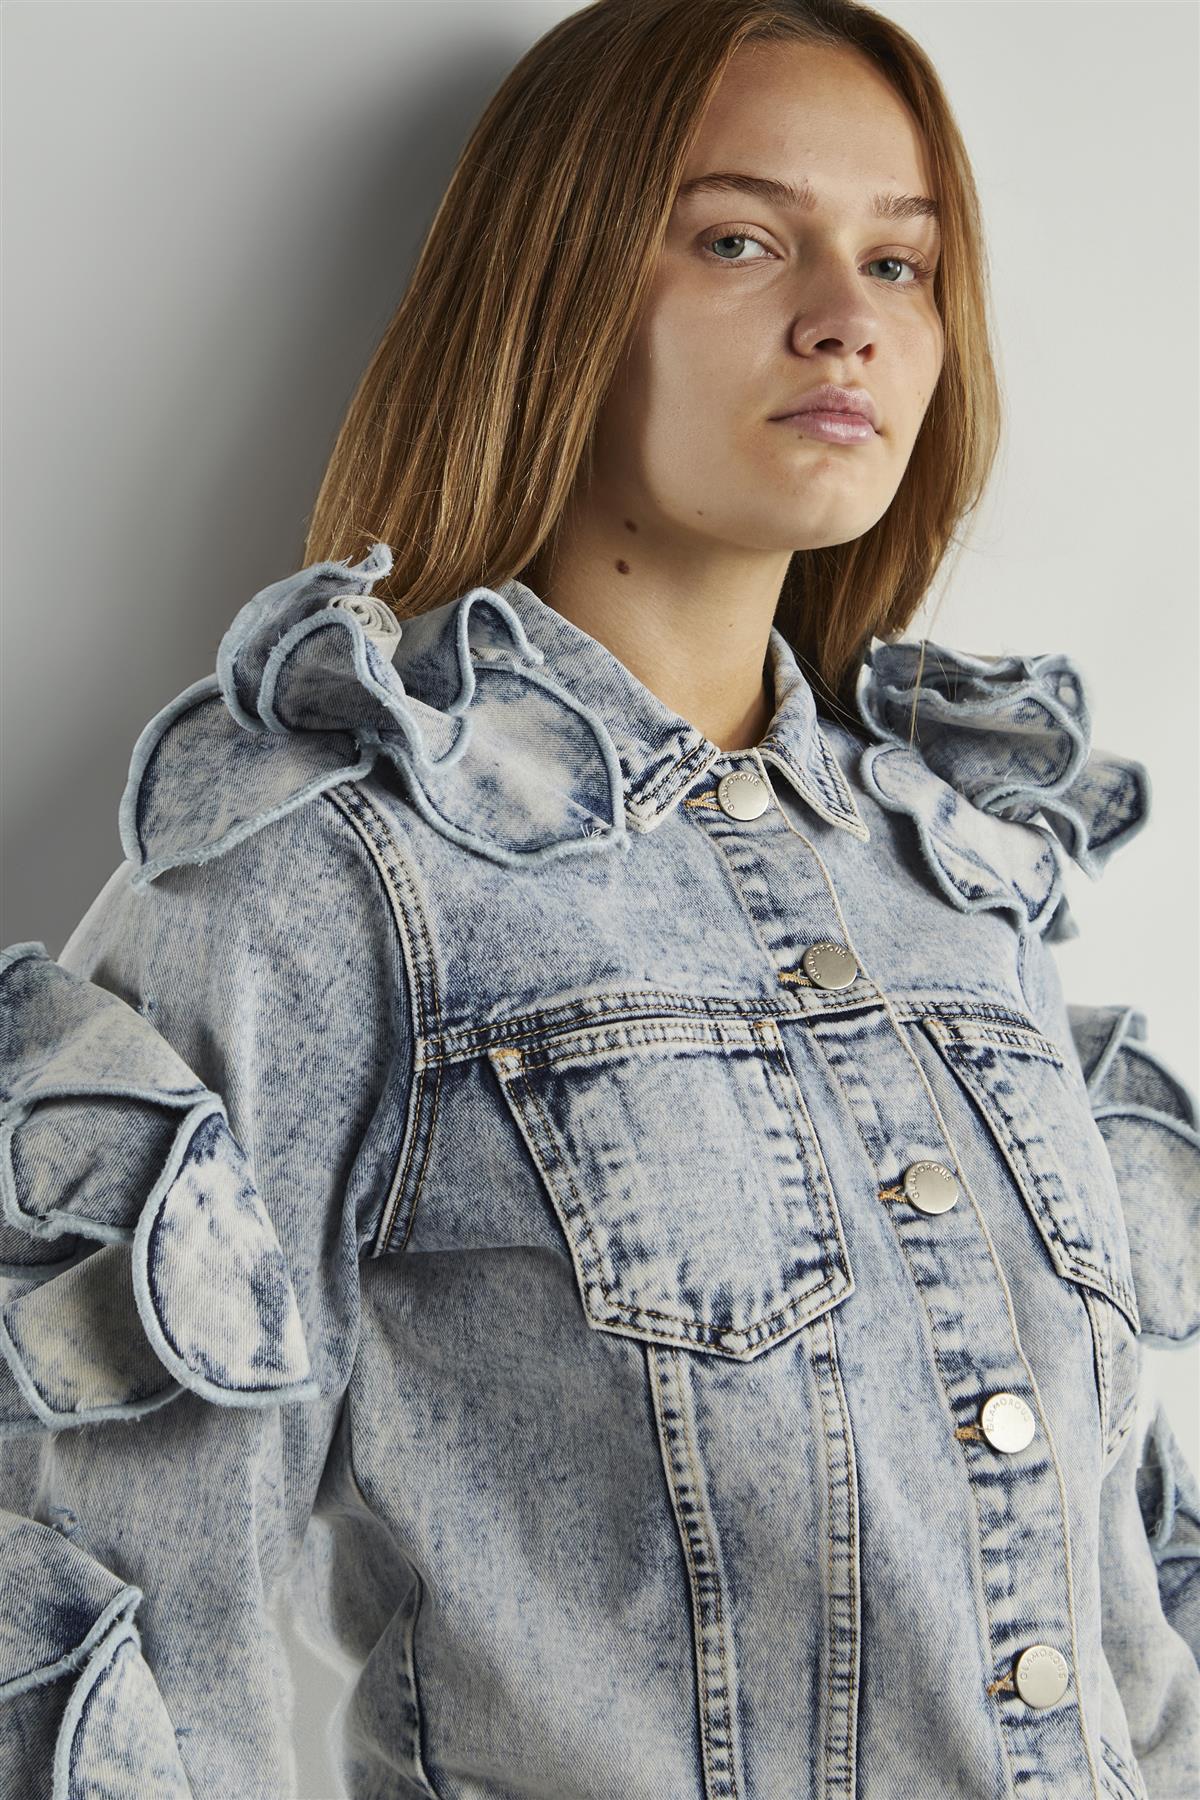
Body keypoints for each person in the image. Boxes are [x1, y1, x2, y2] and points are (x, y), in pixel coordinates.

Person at [2, 1, 1197, 1795]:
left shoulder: (960, 883)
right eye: (741, 240)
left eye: (900, 261)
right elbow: (142, 1643)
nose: (849, 317)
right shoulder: (315, 878)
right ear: (557, 290)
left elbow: (1128, 1632)